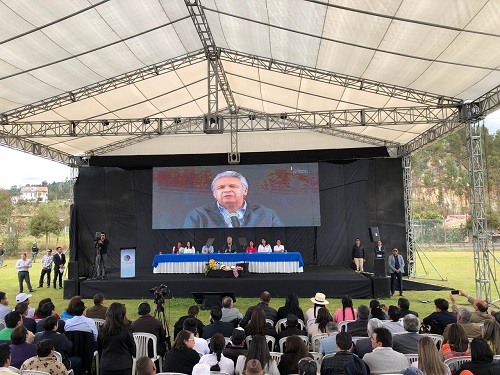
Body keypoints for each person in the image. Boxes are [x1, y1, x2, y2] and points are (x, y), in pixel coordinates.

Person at [184, 170, 284, 228]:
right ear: (214, 193)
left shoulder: (267, 215)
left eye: (232, 186)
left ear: (245, 190)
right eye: (221, 187)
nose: (227, 190)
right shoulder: (197, 215)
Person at [97, 302, 136, 375]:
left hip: (106, 365)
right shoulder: (127, 329)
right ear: (122, 314)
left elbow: (99, 348)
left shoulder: (101, 330)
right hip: (123, 366)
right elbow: (132, 348)